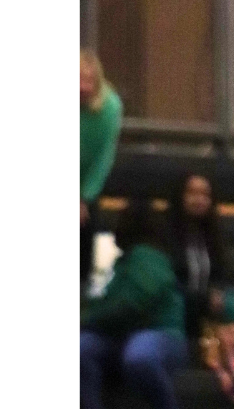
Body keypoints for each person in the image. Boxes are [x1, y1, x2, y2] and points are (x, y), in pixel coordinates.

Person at [79, 199, 188, 409]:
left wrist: (85, 319)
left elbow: (132, 305)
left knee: (140, 356)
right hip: (124, 335)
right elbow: (106, 302)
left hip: (161, 332)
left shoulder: (147, 257)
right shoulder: (123, 262)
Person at [166, 173, 234, 404]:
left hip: (204, 307)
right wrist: (203, 298)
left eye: (205, 194)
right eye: (192, 193)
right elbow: (167, 281)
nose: (199, 199)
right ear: (180, 196)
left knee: (233, 304)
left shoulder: (213, 233)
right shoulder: (165, 231)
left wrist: (216, 291)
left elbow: (221, 274)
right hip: (177, 306)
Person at [80, 49, 123, 286]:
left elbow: (103, 158)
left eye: (89, 81)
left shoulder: (110, 107)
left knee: (86, 228)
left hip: (87, 185)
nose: (83, 88)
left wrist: (84, 199)